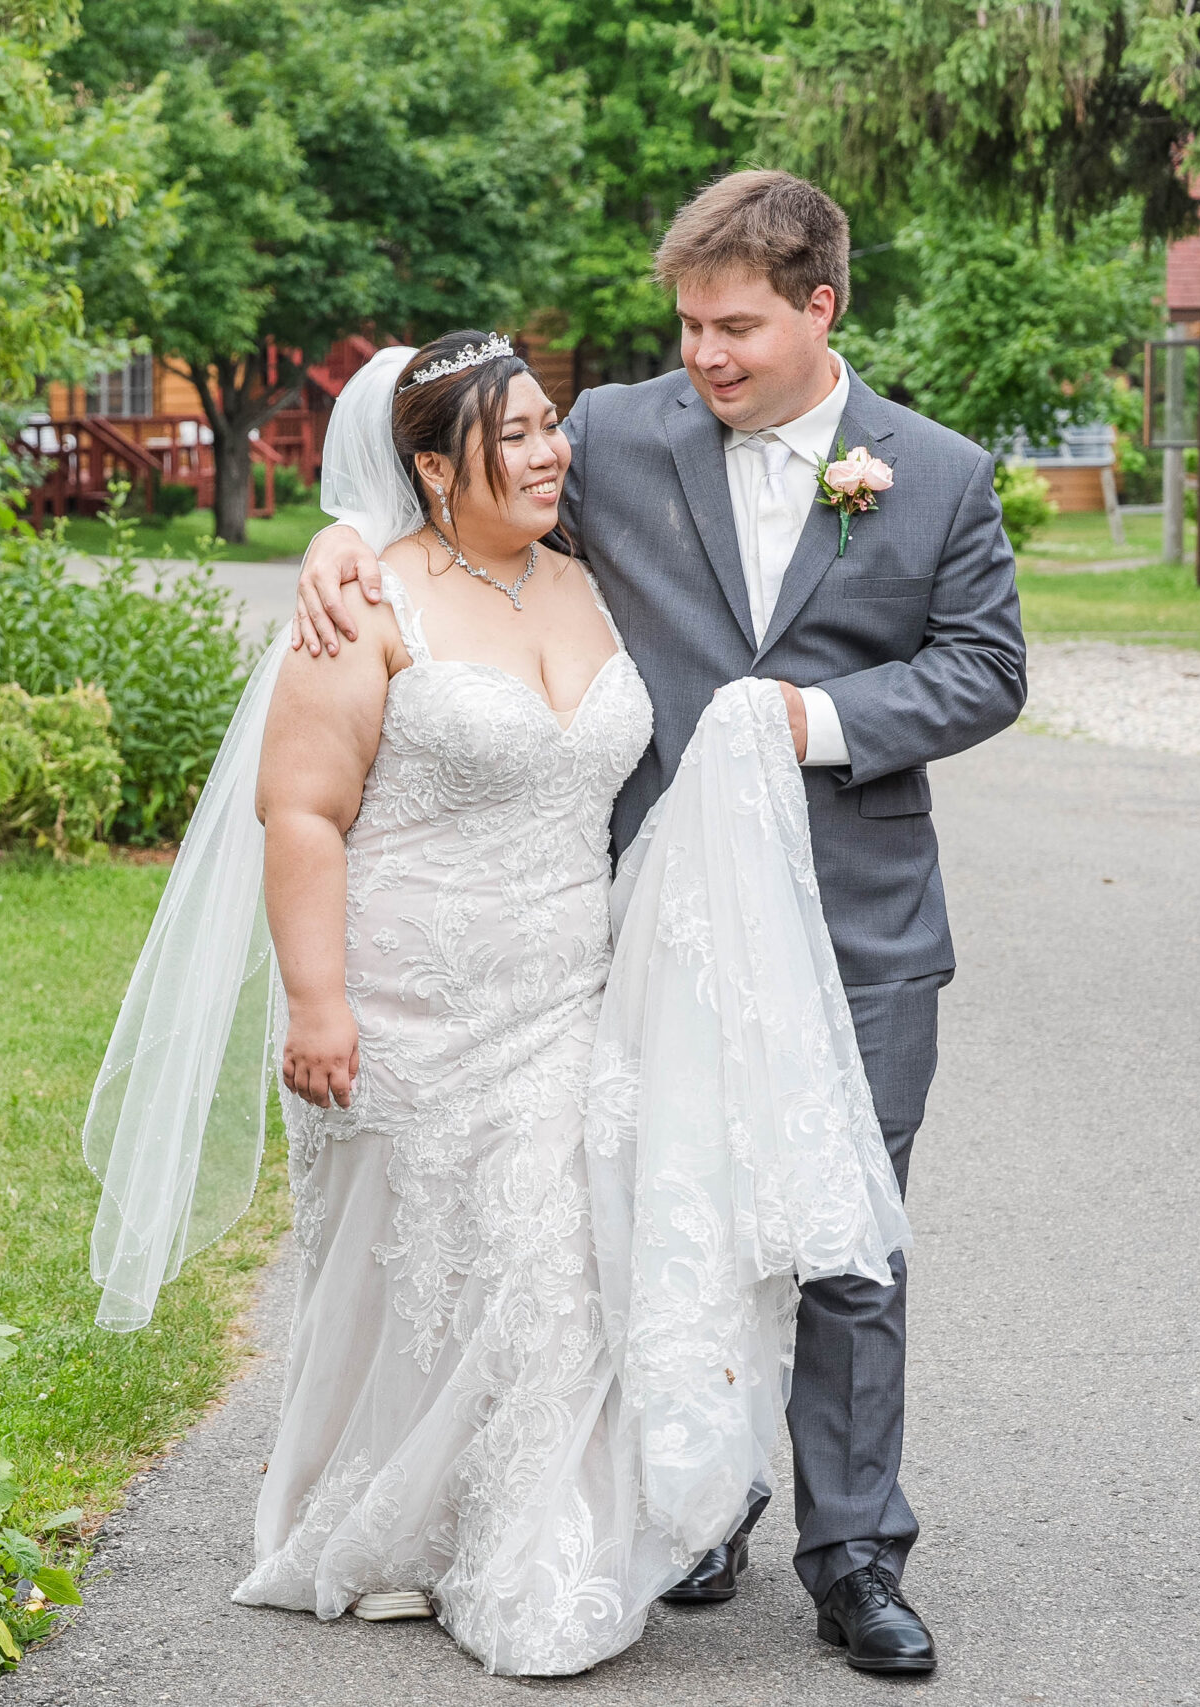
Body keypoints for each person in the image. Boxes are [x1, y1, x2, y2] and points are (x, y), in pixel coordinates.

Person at [285, 170, 1027, 1674]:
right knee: (656, 1217)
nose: (703, 354)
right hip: (646, 927)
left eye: (736, 327)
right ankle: (699, 1501)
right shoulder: (616, 435)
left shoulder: (936, 475)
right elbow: (443, 466)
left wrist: (812, 719)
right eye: (687, 324)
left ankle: (857, 1554)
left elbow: (985, 670)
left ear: (824, 308)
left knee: (845, 1240)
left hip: (860, 925)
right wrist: (337, 544)